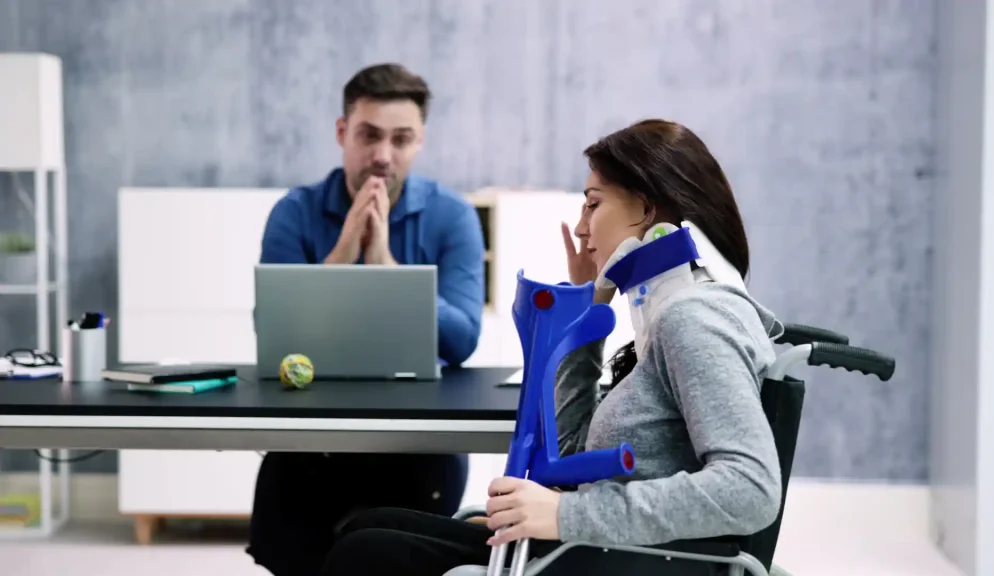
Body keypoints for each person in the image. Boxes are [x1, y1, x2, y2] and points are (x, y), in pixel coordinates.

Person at [317, 118, 785, 576]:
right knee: (365, 527)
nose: (581, 229)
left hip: (622, 557)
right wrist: (591, 302)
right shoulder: (667, 314)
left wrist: (565, 516)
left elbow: (750, 488)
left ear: (644, 210)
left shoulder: (694, 317)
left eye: (592, 205)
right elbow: (572, 453)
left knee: (364, 553)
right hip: (596, 546)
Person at [246, 63, 486, 576]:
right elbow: (272, 333)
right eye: (369, 135)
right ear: (342, 133)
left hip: (418, 442)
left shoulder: (452, 215)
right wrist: (341, 254)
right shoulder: (295, 211)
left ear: (420, 141)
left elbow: (464, 339)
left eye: (401, 139)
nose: (383, 156)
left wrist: (385, 268)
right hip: (312, 441)